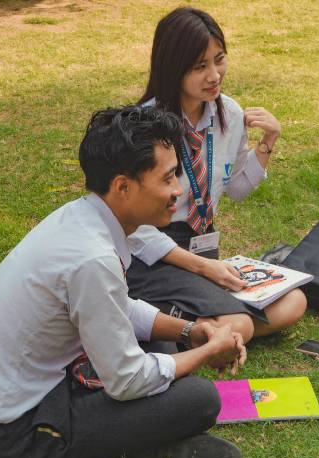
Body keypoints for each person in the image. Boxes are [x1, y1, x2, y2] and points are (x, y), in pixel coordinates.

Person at [0, 105, 248, 458]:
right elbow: (128, 380)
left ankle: (142, 431)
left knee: (162, 343)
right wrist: (207, 351)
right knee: (199, 399)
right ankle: (144, 440)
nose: (178, 190)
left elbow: (118, 307)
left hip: (6, 393)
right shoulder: (91, 259)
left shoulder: (81, 216)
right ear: (123, 187)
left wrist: (190, 331)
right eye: (168, 178)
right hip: (18, 430)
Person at [128, 7, 305, 341]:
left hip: (202, 244)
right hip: (152, 254)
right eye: (200, 66)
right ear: (173, 67)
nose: (214, 75)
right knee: (240, 324)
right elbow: (133, 229)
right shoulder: (143, 125)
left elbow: (236, 189)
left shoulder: (230, 114)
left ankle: (191, 327)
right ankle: (189, 326)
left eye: (219, 59)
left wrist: (267, 143)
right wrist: (203, 267)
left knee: (295, 301)